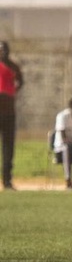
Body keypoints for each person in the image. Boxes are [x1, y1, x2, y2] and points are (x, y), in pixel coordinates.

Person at [0, 41, 23, 190]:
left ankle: (7, 180)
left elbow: (21, 82)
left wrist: (11, 92)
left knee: (8, 148)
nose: (2, 52)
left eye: (4, 49)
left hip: (9, 113)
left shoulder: (14, 66)